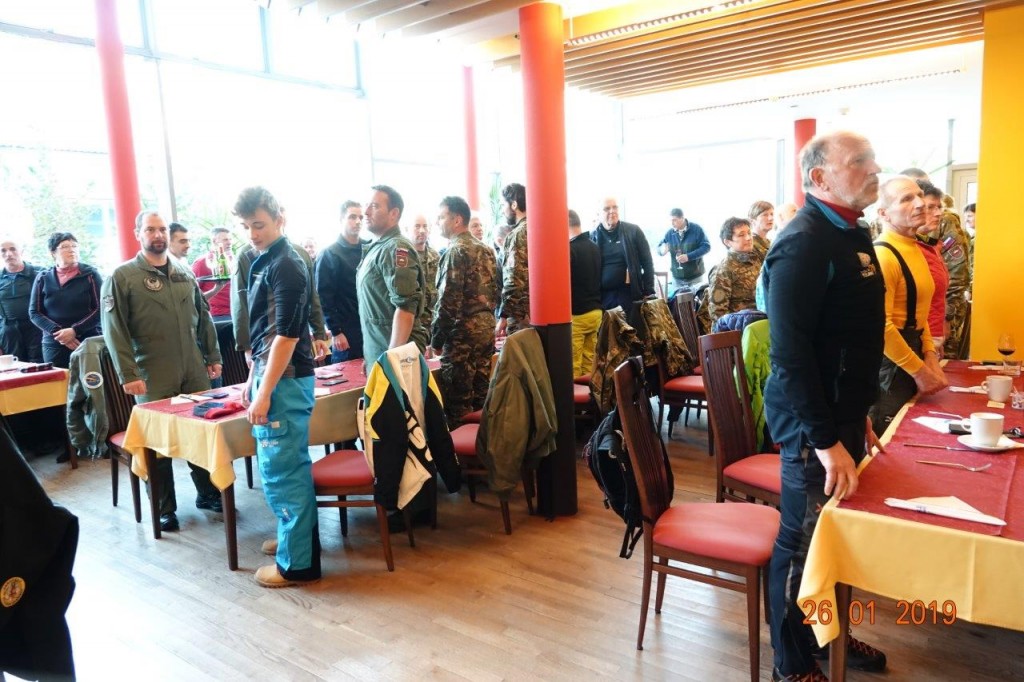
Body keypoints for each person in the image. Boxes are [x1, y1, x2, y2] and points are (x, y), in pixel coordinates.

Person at [762, 131, 888, 681]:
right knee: (801, 540)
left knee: (833, 538)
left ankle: (825, 631)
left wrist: (857, 410)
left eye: (872, 159)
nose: (874, 168)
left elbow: (846, 340)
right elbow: (789, 355)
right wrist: (825, 438)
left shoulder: (851, 231)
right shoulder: (804, 242)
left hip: (841, 416)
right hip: (810, 427)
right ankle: (792, 660)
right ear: (820, 177)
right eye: (859, 161)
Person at [101, 210, 223, 532]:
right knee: (157, 442)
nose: (158, 235)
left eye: (162, 229)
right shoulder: (122, 276)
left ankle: (208, 492)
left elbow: (204, 317)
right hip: (151, 370)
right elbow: (114, 330)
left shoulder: (184, 271)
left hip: (192, 367)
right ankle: (163, 507)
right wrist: (128, 373)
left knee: (200, 431)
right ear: (138, 233)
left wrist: (212, 355)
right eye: (150, 229)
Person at [232, 187, 320, 589]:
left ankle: (297, 564)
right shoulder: (266, 259)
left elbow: (286, 335)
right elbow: (264, 333)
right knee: (278, 470)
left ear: (279, 219)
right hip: (272, 375)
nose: (252, 234)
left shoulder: (287, 264)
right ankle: (292, 541)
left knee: (285, 472)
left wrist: (265, 391)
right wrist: (253, 378)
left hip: (284, 379)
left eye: (259, 225)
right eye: (246, 226)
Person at [868, 176, 947, 436]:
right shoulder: (884, 255)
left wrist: (930, 355)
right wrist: (920, 372)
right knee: (889, 439)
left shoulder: (914, 248)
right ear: (883, 213)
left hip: (913, 352)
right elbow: (881, 327)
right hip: (891, 364)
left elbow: (919, 313)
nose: (920, 203)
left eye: (919, 195)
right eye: (906, 199)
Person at [430, 195, 499, 423]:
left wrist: (437, 340)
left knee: (458, 404)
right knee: (481, 398)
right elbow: (495, 290)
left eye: (441, 217)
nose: (437, 222)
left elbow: (448, 302)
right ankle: (483, 443)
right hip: (485, 329)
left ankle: (461, 445)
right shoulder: (486, 250)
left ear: (457, 220)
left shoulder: (455, 251)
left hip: (462, 336)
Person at [356, 184, 427, 365]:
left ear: (394, 213)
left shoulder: (396, 248)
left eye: (374, 206)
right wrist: (371, 354)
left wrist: (389, 360)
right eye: (366, 205)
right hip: (381, 348)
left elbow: (406, 308)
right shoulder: (379, 246)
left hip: (398, 357)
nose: (366, 212)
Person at [28, 233, 102, 369]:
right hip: (54, 342)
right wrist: (60, 333)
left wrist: (74, 331)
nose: (71, 249)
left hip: (87, 339)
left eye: (74, 246)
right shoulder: (43, 277)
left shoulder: (91, 275)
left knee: (92, 378)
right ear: (53, 253)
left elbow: (101, 309)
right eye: (65, 246)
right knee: (59, 379)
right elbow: (34, 312)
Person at [315, 200, 369, 363]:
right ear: (341, 219)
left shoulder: (369, 248)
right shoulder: (329, 254)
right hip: (346, 332)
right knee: (347, 375)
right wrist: (336, 331)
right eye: (352, 217)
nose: (358, 221)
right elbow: (324, 298)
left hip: (371, 329)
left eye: (361, 217)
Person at [591, 197, 655, 311]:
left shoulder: (633, 231)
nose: (612, 211)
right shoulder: (593, 237)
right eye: (607, 208)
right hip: (604, 298)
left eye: (615, 207)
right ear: (598, 214)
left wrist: (648, 291)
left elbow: (647, 262)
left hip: (629, 295)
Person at [704, 218, 760, 326]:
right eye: (741, 235)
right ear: (727, 242)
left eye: (749, 233)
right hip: (741, 329)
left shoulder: (756, 260)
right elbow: (718, 314)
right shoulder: (723, 270)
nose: (748, 238)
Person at [915, 181, 950, 351]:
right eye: (930, 207)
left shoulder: (931, 246)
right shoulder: (905, 248)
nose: (938, 213)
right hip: (917, 341)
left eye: (939, 207)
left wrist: (943, 326)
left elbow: (937, 296)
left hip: (933, 337)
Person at [568, 209, 602, 378]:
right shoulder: (594, 247)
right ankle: (590, 394)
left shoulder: (569, 249)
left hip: (577, 314)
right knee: (589, 363)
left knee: (574, 366)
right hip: (595, 312)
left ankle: (577, 396)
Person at [0, 238, 43, 362]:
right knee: (14, 369)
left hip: (36, 330)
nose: (8, 254)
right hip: (9, 333)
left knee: (39, 368)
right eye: (3, 251)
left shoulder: (40, 273)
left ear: (21, 251)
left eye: (13, 249)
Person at [496, 183, 529, 337]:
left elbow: (514, 279)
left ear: (514, 205)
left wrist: (503, 316)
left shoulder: (517, 235)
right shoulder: (541, 228)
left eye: (504, 205)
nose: (503, 210)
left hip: (521, 315)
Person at [657, 208, 710, 295]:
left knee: (696, 301)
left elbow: (706, 247)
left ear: (682, 218)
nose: (672, 223)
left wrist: (688, 257)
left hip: (695, 277)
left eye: (674, 220)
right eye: (670, 220)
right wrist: (662, 251)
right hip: (677, 279)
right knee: (677, 302)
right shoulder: (669, 233)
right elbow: (659, 248)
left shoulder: (697, 229)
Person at [406, 213, 440, 340]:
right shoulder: (403, 256)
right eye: (417, 226)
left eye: (425, 226)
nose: (422, 230)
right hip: (413, 324)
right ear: (407, 229)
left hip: (434, 322)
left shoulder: (435, 256)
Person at [192, 227, 233, 322]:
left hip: (236, 311)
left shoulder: (232, 260)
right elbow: (193, 293)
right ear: (214, 241)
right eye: (225, 239)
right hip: (218, 315)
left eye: (230, 239)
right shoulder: (202, 262)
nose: (229, 242)